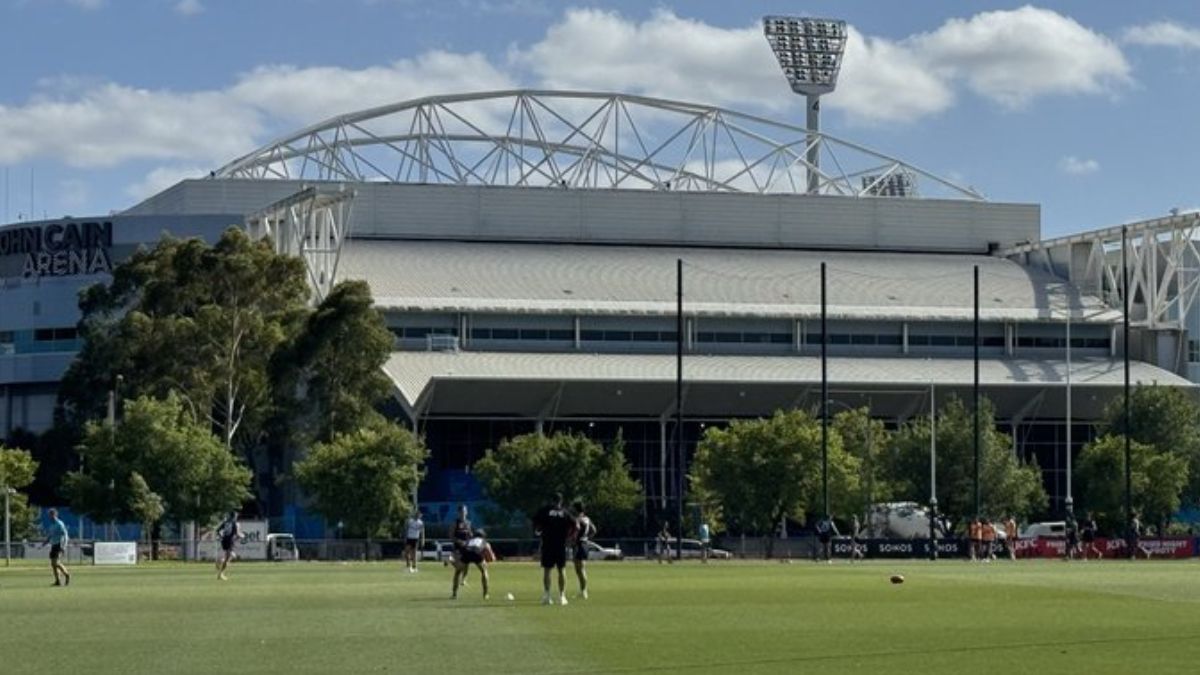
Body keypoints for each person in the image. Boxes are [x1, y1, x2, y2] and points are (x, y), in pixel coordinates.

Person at [533, 492, 576, 605]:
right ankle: (562, 596)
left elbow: (535, 522)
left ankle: (547, 595)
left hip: (547, 544)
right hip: (561, 545)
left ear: (552, 500)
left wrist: (538, 531)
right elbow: (576, 525)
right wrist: (570, 537)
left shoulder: (545, 510)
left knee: (547, 570)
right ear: (561, 501)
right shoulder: (565, 513)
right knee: (561, 570)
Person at [450, 529, 491, 600]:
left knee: (457, 572)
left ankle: (454, 594)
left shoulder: (469, 541)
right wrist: (486, 561)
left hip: (467, 552)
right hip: (477, 553)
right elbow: (490, 555)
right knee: (484, 572)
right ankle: (485, 594)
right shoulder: (485, 542)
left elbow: (462, 548)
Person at [572, 501, 596, 598]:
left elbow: (576, 532)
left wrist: (573, 541)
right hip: (585, 543)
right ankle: (583, 590)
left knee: (580, 570)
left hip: (578, 544)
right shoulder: (587, 519)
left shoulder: (577, 519)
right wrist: (587, 537)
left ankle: (583, 591)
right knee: (581, 569)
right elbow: (594, 530)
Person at [44, 508, 71, 587]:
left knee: (56, 563)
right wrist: (44, 543)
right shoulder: (51, 525)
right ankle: (58, 581)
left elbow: (65, 535)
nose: (49, 517)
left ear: (54, 515)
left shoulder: (59, 524)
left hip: (59, 544)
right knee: (53, 564)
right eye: (49, 515)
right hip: (54, 545)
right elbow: (50, 536)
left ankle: (67, 574)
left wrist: (64, 546)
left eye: (50, 515)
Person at [214, 511, 243, 581]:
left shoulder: (225, 522)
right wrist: (242, 536)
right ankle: (220, 572)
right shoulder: (235, 523)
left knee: (232, 556)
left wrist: (221, 537)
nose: (236, 517)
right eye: (236, 516)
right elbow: (237, 534)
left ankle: (220, 562)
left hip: (224, 540)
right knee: (228, 558)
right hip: (230, 541)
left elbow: (217, 530)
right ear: (234, 516)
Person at [449, 504, 472, 586]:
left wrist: (471, 539)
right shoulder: (455, 522)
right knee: (459, 565)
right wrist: (458, 541)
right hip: (458, 546)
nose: (463, 513)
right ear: (458, 512)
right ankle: (451, 561)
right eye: (462, 511)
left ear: (467, 512)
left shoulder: (468, 522)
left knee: (467, 564)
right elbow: (451, 535)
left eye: (465, 511)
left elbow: (469, 534)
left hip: (466, 546)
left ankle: (464, 580)